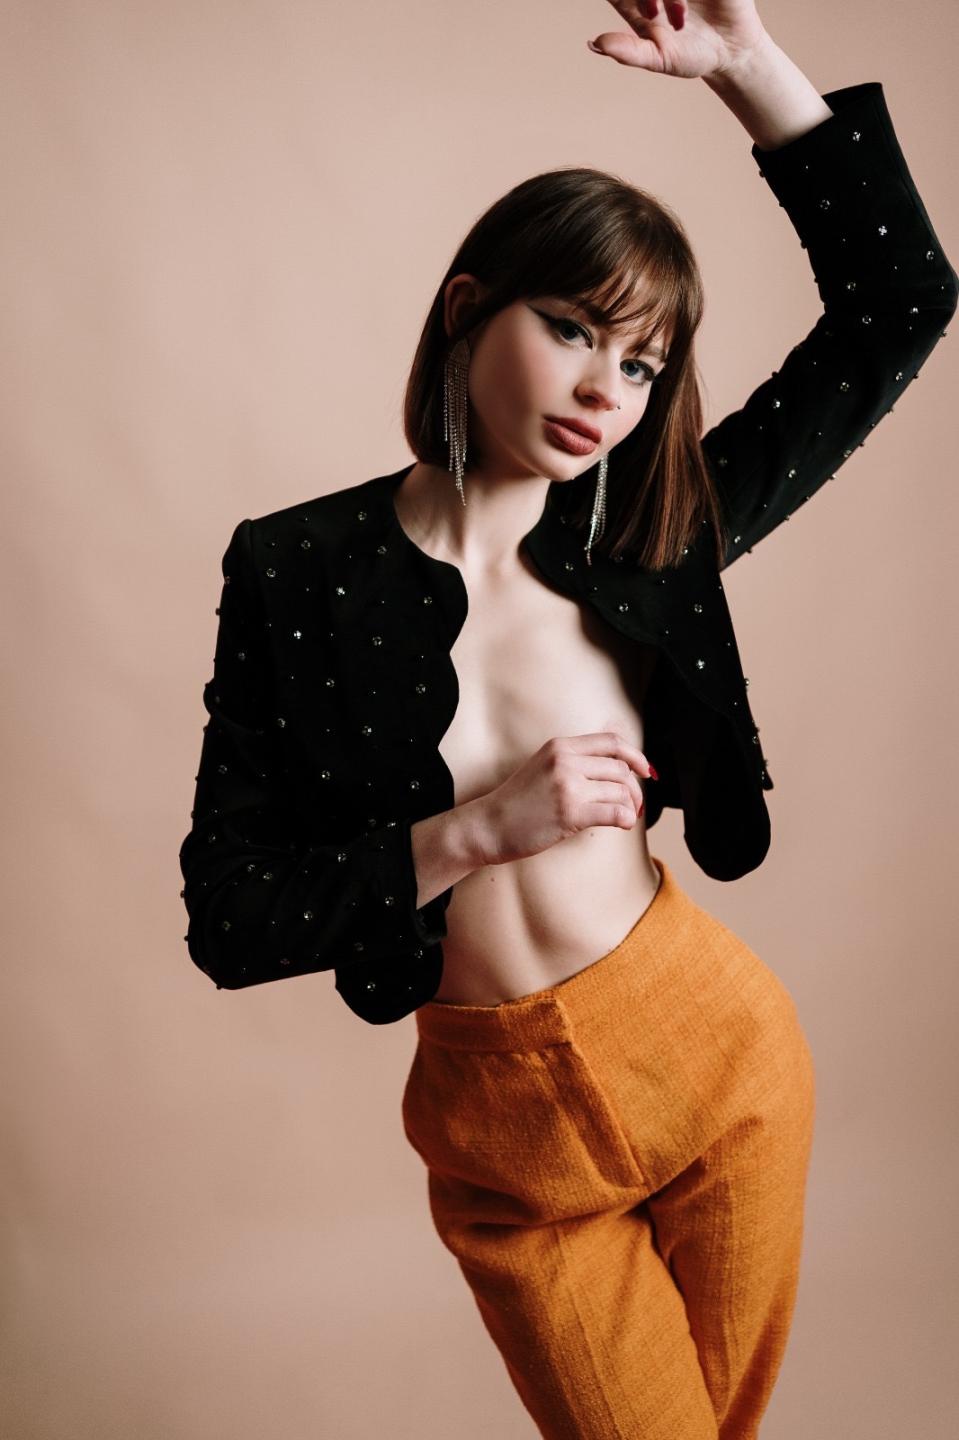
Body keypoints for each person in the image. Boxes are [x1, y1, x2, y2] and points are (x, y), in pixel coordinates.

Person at [178, 1, 957, 1435]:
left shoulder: (654, 533)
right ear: (469, 307)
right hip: (505, 1135)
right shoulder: (296, 571)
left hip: (712, 1052)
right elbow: (230, 916)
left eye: (642, 364)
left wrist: (744, 67)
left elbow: (898, 307)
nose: (607, 390)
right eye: (572, 330)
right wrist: (474, 830)